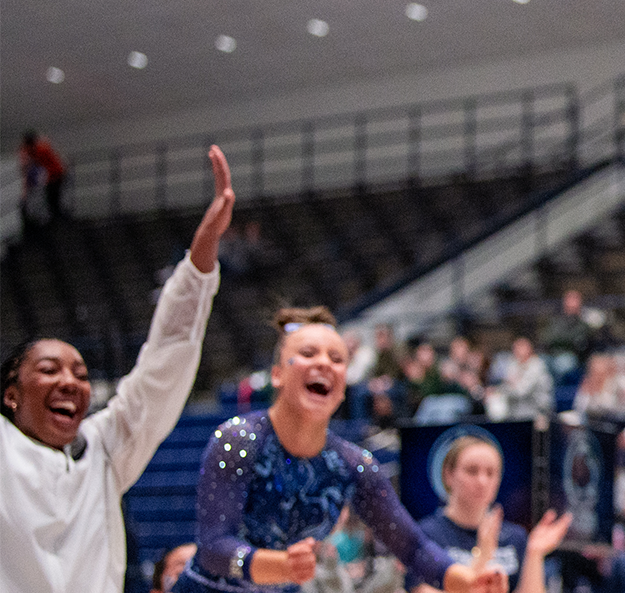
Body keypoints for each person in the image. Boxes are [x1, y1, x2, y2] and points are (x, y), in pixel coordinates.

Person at [0, 146, 232, 593]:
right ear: (11, 394)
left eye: (82, 374)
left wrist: (202, 255)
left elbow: (165, 364)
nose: (70, 381)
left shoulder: (103, 449)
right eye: (49, 370)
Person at [174, 306, 506, 593]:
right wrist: (281, 566)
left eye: (337, 359)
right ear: (277, 374)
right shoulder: (239, 440)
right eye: (308, 354)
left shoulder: (352, 465)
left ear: (343, 387)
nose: (324, 364)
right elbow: (213, 549)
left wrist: (467, 581)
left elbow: (414, 547)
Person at [410, 435, 572, 593]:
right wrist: (483, 556)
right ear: (448, 475)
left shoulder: (515, 536)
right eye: (472, 471)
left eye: (491, 473)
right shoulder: (425, 534)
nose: (482, 481)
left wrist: (534, 553)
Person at [17, 130, 68, 223]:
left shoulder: (40, 150)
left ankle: (56, 217)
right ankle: (56, 215)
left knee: (52, 197)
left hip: (54, 174)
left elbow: (33, 162)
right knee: (53, 197)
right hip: (54, 174)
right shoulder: (40, 147)